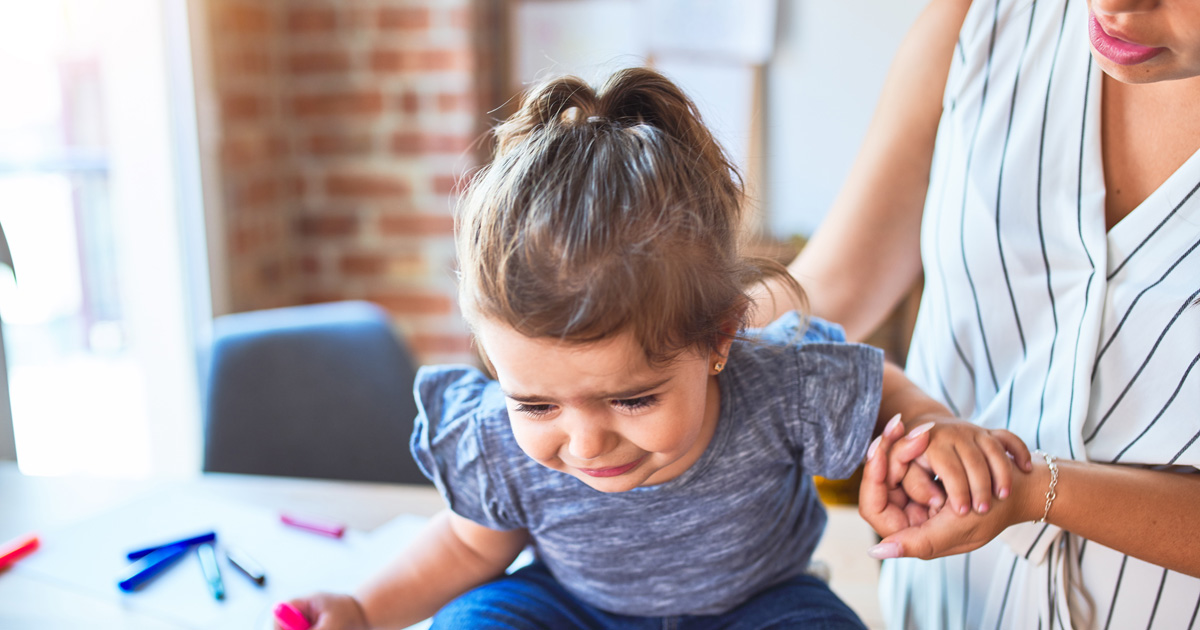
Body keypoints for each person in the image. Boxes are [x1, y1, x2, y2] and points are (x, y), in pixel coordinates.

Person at [276, 67, 1024, 630]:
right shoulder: (504, 442)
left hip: (756, 604)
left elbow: (876, 388)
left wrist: (933, 423)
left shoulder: (783, 383)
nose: (583, 440)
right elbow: (469, 551)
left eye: (631, 397)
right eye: (535, 401)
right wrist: (363, 610)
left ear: (720, 338)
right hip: (573, 607)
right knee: (475, 618)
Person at [756, 0, 1200, 627]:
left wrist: (1034, 490)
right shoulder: (987, 16)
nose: (1113, 5)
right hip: (947, 607)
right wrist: (635, 332)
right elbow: (829, 288)